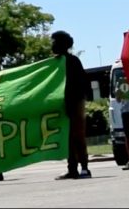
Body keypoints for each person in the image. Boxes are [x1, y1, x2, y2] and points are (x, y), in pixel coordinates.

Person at [51, 31, 92, 180]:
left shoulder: (73, 61)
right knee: (67, 137)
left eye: (54, 41)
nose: (52, 44)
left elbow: (83, 82)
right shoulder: (53, 63)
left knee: (77, 135)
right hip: (61, 103)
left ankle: (85, 167)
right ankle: (72, 168)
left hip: (75, 102)